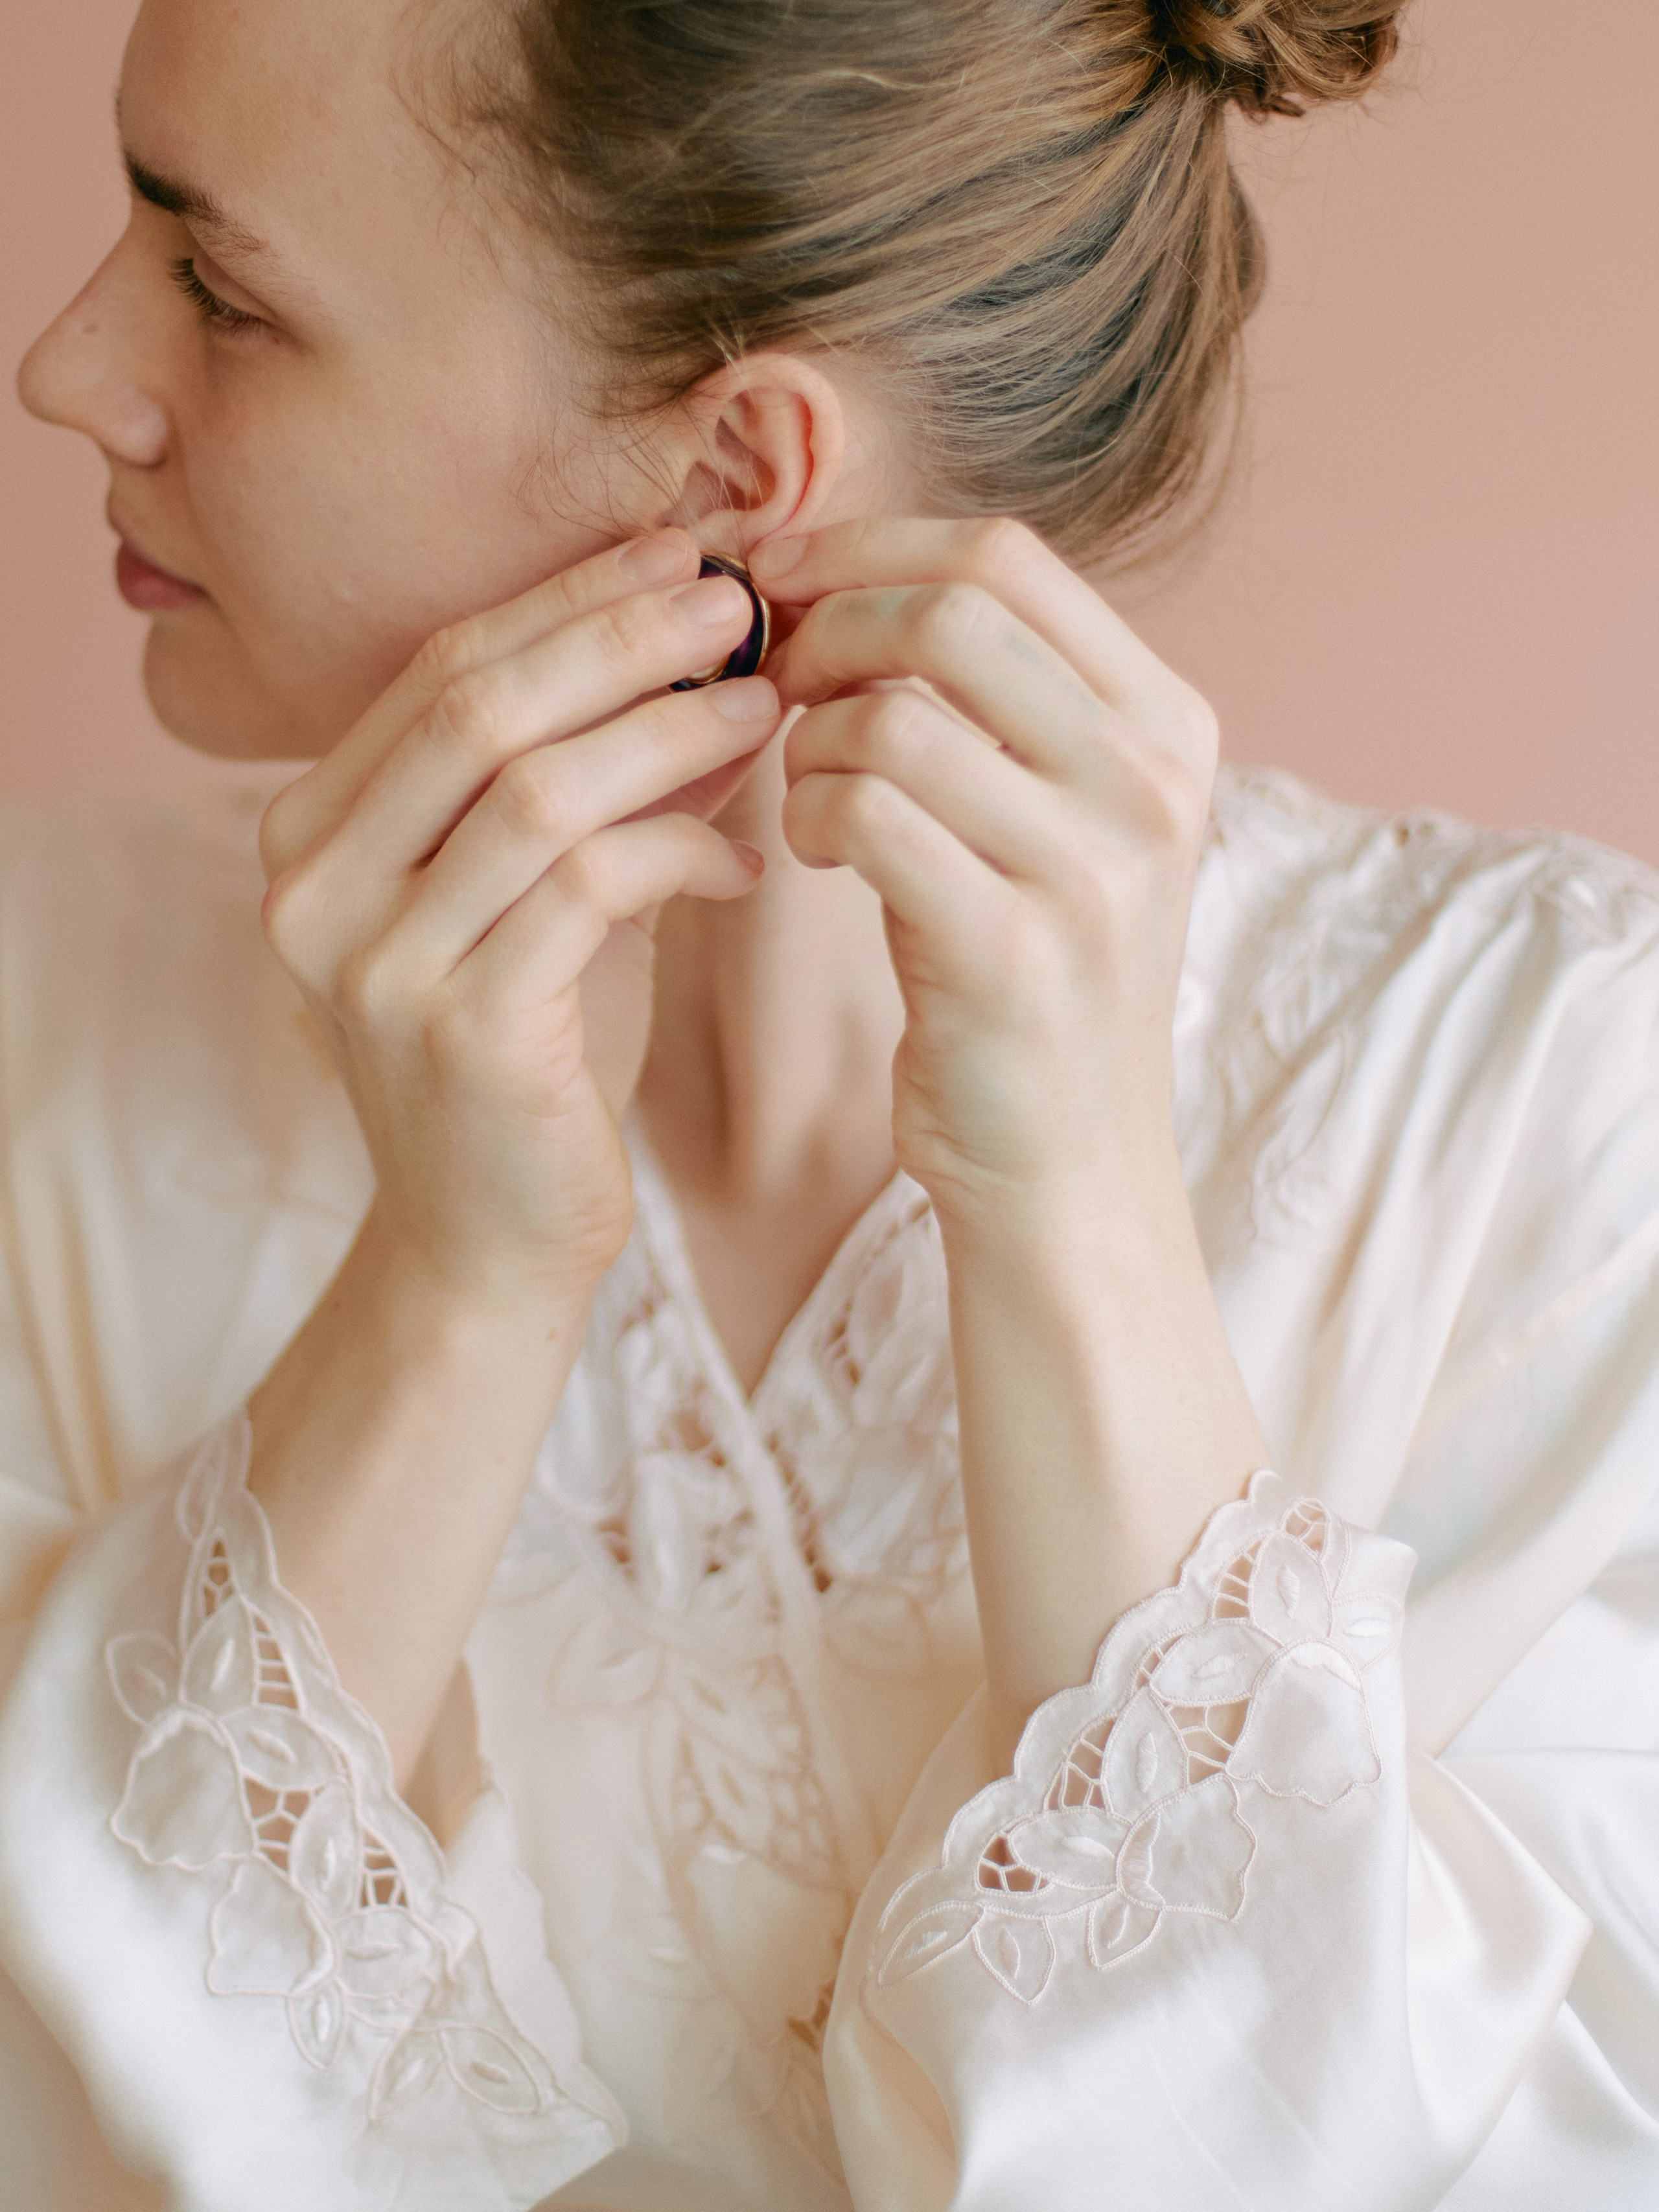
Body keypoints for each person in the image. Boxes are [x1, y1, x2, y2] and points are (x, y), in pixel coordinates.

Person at [1, 0, 1655, 2203]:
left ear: (737, 476)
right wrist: (456, 1280)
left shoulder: (1553, 1105)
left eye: (224, 287)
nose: (69, 368)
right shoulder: (39, 1016)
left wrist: (1071, 1215)